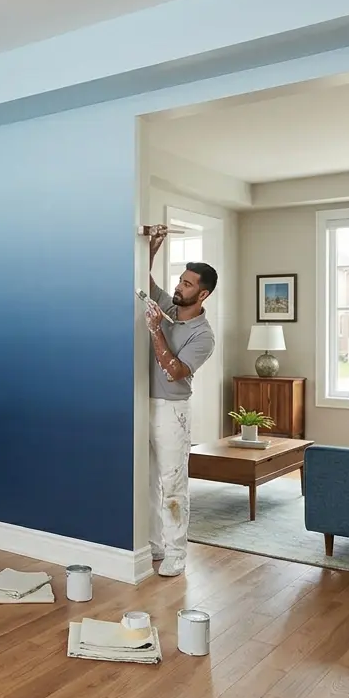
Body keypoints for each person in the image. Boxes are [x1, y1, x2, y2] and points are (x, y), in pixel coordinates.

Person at [145, 225, 217, 577]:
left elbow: (174, 370)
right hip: (141, 403)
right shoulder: (165, 305)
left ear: (202, 295)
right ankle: (154, 544)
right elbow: (140, 276)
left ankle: (176, 553)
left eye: (187, 284)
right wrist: (151, 246)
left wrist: (156, 330)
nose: (178, 287)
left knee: (172, 482)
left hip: (172, 411)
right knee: (145, 479)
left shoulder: (203, 336)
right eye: (180, 280)